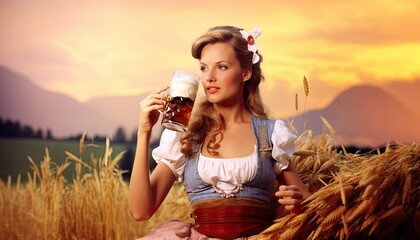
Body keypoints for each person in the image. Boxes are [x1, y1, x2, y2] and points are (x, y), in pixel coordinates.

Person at [129, 25, 311, 239]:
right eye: (204, 68)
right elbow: (141, 211)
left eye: (222, 67)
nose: (209, 78)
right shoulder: (189, 136)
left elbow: (310, 204)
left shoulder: (268, 134)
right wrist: (144, 132)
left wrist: (300, 205)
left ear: (245, 72)